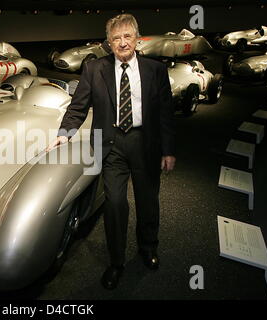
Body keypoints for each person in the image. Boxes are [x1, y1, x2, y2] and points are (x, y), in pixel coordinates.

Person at [46, 14, 176, 290]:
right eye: (116, 38)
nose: (122, 42)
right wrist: (63, 134)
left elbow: (166, 113)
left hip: (145, 145)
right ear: (109, 43)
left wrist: (168, 150)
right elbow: (78, 107)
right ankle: (116, 263)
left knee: (147, 201)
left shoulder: (155, 70)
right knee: (115, 205)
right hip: (111, 145)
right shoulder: (94, 69)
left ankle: (148, 248)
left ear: (137, 39)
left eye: (127, 36)